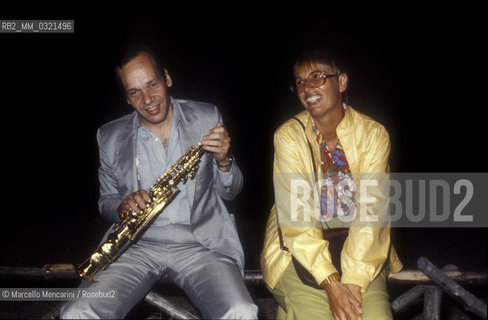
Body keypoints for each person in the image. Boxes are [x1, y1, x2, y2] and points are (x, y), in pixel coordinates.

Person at [61, 45, 258, 319]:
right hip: (135, 247)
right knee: (78, 313)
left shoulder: (207, 117)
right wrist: (122, 206)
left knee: (241, 312)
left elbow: (230, 192)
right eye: (134, 91)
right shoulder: (108, 136)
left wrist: (224, 160)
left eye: (152, 84)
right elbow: (105, 201)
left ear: (167, 78)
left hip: (201, 246)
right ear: (127, 99)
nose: (147, 99)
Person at [260, 48, 403, 320]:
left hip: (363, 250)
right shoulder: (289, 136)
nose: (307, 88)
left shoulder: (373, 134)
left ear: (342, 82)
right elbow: (297, 219)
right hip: (297, 250)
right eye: (300, 81)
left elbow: (372, 214)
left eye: (317, 77)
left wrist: (353, 282)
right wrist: (331, 284)